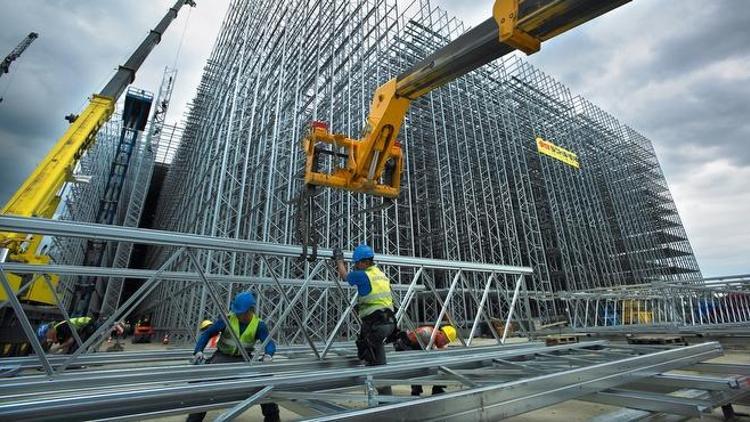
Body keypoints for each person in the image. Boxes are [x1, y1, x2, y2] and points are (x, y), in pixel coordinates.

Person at [186, 292, 280, 422]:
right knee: (205, 387)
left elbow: (269, 343)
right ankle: (194, 419)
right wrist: (198, 351)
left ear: (250, 310)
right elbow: (207, 334)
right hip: (221, 357)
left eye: (240, 312)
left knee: (264, 385)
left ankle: (272, 418)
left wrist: (269, 355)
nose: (238, 314)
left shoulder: (259, 325)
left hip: (245, 360)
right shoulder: (227, 319)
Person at [333, 244, 396, 394]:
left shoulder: (362, 275)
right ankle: (384, 394)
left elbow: (344, 276)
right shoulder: (380, 274)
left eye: (357, 263)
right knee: (377, 352)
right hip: (390, 323)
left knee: (366, 352)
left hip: (376, 325)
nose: (355, 266)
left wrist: (339, 260)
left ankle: (375, 391)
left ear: (364, 262)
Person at [393, 325, 457, 396]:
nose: (444, 343)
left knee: (441, 363)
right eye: (445, 340)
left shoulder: (436, 337)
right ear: (441, 333)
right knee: (419, 364)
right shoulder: (428, 333)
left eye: (446, 342)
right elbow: (408, 339)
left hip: (415, 350)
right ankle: (416, 390)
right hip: (406, 347)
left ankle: (437, 388)